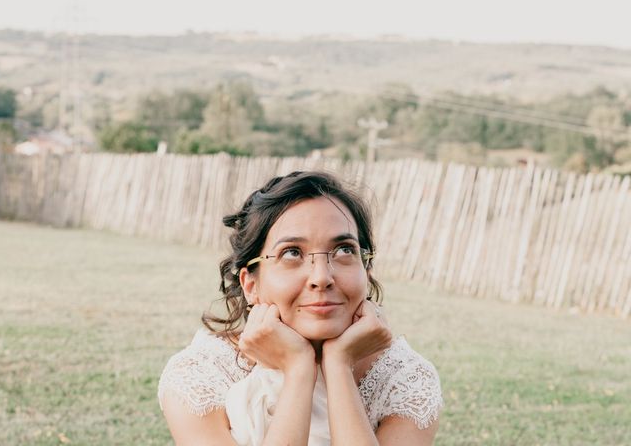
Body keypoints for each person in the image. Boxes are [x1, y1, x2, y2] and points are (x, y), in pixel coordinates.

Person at [158, 171, 443, 445]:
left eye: (344, 250)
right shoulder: (200, 376)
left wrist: (339, 366)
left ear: (366, 270)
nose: (321, 277)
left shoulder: (405, 379)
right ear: (250, 284)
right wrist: (298, 369)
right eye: (292, 253)